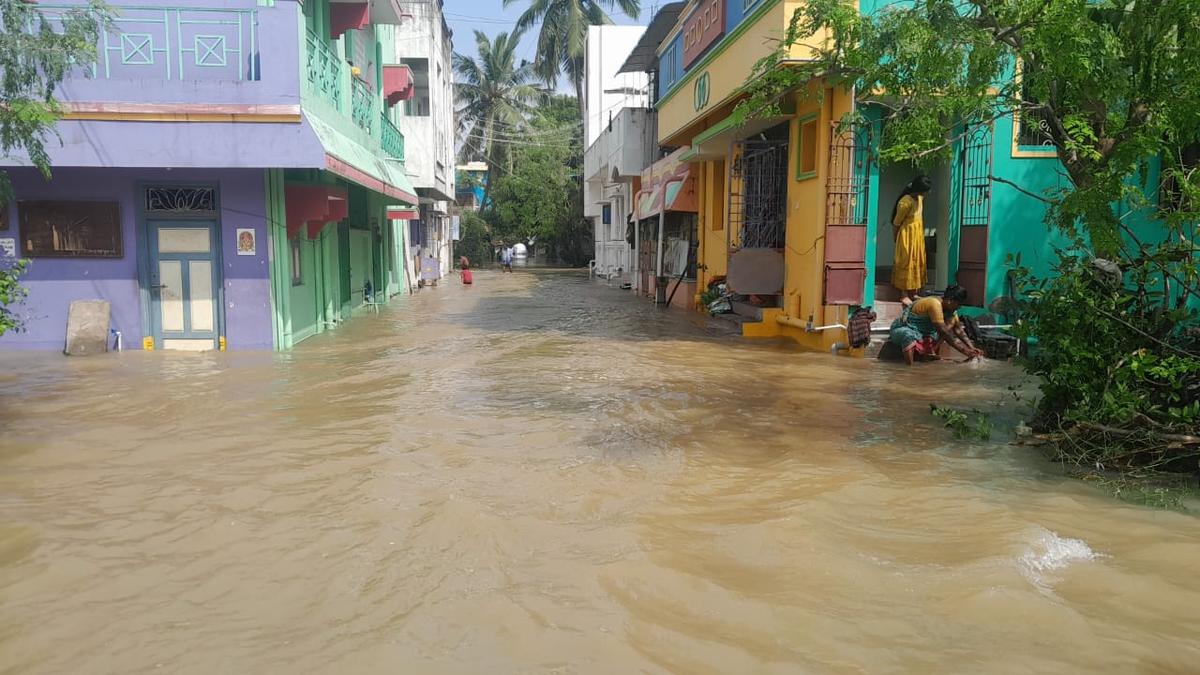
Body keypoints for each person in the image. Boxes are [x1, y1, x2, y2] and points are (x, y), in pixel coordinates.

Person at [888, 285, 984, 366]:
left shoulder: (951, 309)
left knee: (951, 321)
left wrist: (972, 348)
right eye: (959, 304)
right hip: (903, 329)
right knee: (909, 335)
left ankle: (930, 353)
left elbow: (958, 330)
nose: (959, 307)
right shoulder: (934, 304)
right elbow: (944, 332)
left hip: (925, 334)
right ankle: (909, 368)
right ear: (950, 301)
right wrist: (964, 352)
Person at [892, 175, 933, 305]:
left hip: (917, 237)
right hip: (906, 237)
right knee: (906, 262)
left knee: (917, 261)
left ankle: (914, 293)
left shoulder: (920, 199)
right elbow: (896, 223)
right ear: (920, 190)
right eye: (926, 190)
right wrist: (896, 239)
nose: (928, 193)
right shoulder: (905, 202)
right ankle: (903, 294)